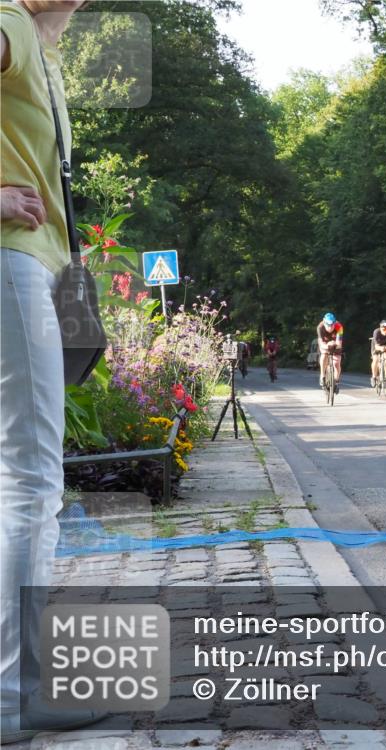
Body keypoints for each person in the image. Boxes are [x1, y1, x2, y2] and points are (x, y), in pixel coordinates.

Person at [1, 1, 107, 744]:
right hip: (10, 259)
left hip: (34, 266)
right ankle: (10, 700)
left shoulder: (37, 42)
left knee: (17, 481)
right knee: (31, 480)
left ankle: (22, 690)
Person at [316, 312, 343, 392]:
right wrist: (327, 345)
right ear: (324, 323)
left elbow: (339, 343)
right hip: (325, 342)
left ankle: (336, 381)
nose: (330, 327)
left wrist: (334, 344)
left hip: (335, 342)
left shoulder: (339, 327)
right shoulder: (320, 327)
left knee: (337, 362)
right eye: (328, 325)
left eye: (332, 325)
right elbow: (321, 344)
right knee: (324, 354)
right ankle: (322, 375)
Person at [370, 320, 386, 388]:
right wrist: (380, 348)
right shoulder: (376, 332)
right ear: (380, 327)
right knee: (375, 359)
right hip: (376, 346)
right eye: (384, 328)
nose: (385, 330)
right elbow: (376, 346)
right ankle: (373, 377)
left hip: (385, 346)